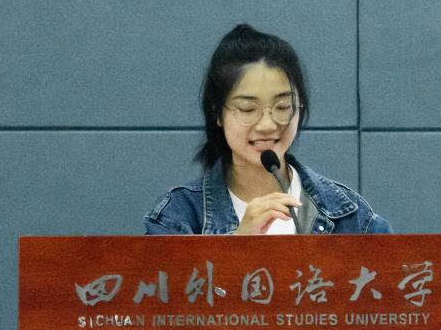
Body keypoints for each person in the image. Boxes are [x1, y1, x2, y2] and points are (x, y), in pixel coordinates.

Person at [144, 24, 392, 235]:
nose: (267, 125)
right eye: (248, 109)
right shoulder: (178, 216)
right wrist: (234, 246)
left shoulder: (351, 215)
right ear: (217, 112)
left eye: (282, 107)